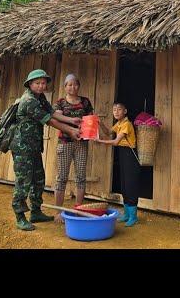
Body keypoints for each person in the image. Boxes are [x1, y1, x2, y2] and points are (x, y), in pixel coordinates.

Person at [10, 69, 81, 231]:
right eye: (37, 83)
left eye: (43, 83)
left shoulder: (40, 97)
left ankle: (35, 212)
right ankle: (20, 217)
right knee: (23, 182)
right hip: (22, 148)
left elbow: (52, 112)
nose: (41, 86)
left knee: (38, 180)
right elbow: (49, 120)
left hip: (33, 147)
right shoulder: (29, 101)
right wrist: (70, 130)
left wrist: (71, 119)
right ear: (30, 84)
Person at [52, 74, 94, 223]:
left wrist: (95, 131)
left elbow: (91, 120)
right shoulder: (60, 103)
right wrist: (70, 125)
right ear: (65, 87)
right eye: (69, 85)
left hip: (82, 143)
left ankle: (79, 209)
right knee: (62, 177)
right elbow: (56, 118)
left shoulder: (85, 102)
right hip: (65, 142)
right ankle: (58, 212)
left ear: (79, 86)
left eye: (75, 84)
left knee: (81, 177)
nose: (72, 87)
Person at [95, 102, 139, 227]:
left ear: (125, 111)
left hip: (130, 156)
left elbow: (115, 141)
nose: (116, 112)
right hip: (123, 155)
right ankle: (126, 215)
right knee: (124, 185)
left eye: (119, 109)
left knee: (130, 185)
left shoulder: (126, 124)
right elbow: (109, 132)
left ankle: (133, 217)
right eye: (114, 110)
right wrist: (100, 123)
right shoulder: (119, 124)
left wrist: (100, 141)